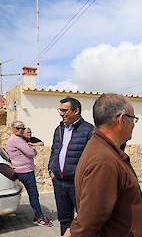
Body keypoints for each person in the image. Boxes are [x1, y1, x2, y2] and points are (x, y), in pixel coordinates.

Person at [64, 93, 142, 236]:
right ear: (121, 119)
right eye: (133, 119)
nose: (134, 124)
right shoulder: (104, 161)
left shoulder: (104, 149)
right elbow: (87, 226)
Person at [48, 96, 94, 236]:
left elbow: (93, 159)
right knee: (64, 219)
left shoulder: (89, 130)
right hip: (59, 182)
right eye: (60, 110)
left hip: (78, 184)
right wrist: (51, 169)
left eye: (64, 110)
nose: (61, 113)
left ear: (76, 111)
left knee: (85, 219)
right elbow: (54, 150)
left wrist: (84, 178)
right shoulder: (59, 129)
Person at [6, 121, 53, 227]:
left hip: (23, 169)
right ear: (13, 129)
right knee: (33, 194)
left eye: (23, 128)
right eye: (18, 128)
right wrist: (34, 150)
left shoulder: (16, 139)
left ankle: (39, 215)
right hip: (24, 170)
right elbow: (31, 153)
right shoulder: (16, 140)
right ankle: (39, 217)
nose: (21, 131)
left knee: (34, 194)